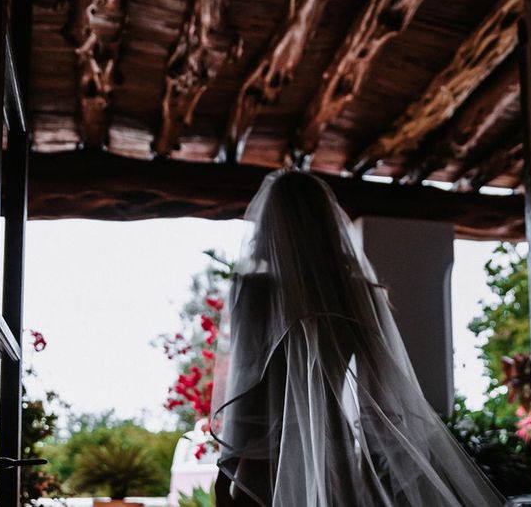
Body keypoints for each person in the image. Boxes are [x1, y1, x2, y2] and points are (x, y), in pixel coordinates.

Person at [210, 166, 507, 506]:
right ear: (326, 225)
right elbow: (379, 392)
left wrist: (226, 471)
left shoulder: (252, 291)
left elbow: (245, 392)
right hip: (335, 456)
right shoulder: (357, 292)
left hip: (265, 464)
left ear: (270, 226)